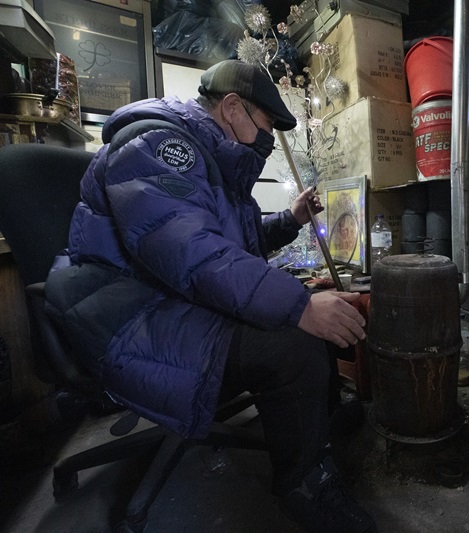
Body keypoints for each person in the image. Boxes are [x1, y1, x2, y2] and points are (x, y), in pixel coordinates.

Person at [44, 59, 377, 533]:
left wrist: (291, 221)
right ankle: (306, 483)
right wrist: (298, 307)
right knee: (293, 337)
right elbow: (191, 253)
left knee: (302, 304)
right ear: (233, 107)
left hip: (168, 299)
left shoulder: (212, 158)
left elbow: (226, 241)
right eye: (266, 126)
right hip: (126, 316)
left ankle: (317, 423)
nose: (268, 139)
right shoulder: (159, 147)